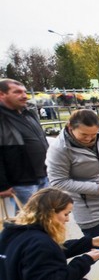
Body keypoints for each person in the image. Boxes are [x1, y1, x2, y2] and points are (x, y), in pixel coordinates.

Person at [46, 109, 99, 253]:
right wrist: (96, 188)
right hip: (87, 204)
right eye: (84, 135)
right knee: (95, 241)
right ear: (70, 127)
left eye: (93, 135)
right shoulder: (60, 149)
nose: (89, 139)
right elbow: (58, 181)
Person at [0, 79, 50, 208]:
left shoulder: (29, 113)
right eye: (17, 92)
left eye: (24, 92)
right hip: (22, 182)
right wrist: (2, 184)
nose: (24, 96)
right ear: (2, 94)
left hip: (44, 175)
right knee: (26, 222)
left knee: (47, 218)